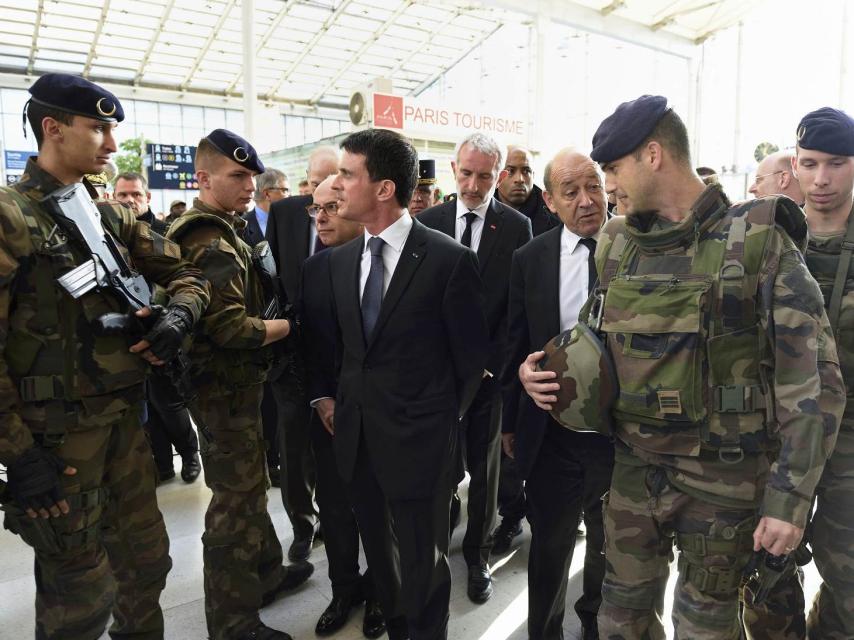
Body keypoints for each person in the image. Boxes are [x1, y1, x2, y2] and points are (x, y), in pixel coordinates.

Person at [519, 95, 844, 639]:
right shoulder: (615, 245)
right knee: (618, 620)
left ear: (652, 155)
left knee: (705, 628)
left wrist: (789, 501)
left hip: (725, 487)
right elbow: (596, 340)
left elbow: (812, 381)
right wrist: (546, 373)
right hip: (631, 476)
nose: (608, 187)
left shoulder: (758, 241)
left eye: (613, 169)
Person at [0, 73, 210, 639]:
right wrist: (18, 457)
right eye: (98, 130)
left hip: (124, 427)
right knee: (79, 596)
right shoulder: (11, 217)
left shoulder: (107, 216)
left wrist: (176, 316)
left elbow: (188, 275)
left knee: (147, 565)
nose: (112, 146)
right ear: (53, 128)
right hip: (58, 446)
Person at [329, 128, 489, 640]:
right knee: (382, 563)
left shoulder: (447, 260)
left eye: (347, 174)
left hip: (421, 446)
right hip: (358, 441)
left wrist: (434, 422)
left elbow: (470, 363)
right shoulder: (341, 261)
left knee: (424, 566)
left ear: (382, 189)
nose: (336, 186)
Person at [166, 129, 312, 640]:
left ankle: (268, 574)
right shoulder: (207, 237)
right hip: (222, 391)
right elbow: (230, 328)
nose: (249, 184)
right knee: (235, 504)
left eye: (251, 175)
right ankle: (232, 623)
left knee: (250, 484)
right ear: (203, 178)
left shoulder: (227, 227)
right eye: (237, 175)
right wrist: (291, 327)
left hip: (234, 389)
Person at [743, 108, 854, 640]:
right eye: (809, 164)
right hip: (772, 440)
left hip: (849, 447)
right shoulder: (765, 239)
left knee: (848, 583)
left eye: (837, 163)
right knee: (764, 580)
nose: (822, 179)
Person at [502, 148, 614, 640]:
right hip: (553, 430)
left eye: (595, 187)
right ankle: (545, 631)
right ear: (549, 201)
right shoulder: (530, 259)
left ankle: (596, 623)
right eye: (571, 192)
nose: (587, 201)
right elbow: (515, 343)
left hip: (622, 432)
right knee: (550, 546)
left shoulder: (637, 246)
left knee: (611, 545)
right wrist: (516, 400)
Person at [418, 132, 532, 604]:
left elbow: (515, 310)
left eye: (484, 176)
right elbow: (420, 304)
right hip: (438, 377)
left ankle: (479, 556)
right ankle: (435, 545)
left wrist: (490, 367)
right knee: (441, 468)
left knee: (486, 474)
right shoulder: (428, 222)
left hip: (489, 378)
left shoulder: (517, 227)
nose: (472, 184)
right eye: (465, 173)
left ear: (499, 176)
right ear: (453, 168)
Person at [300, 176, 385, 639]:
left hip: (378, 418)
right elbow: (309, 348)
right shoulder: (314, 268)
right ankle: (343, 589)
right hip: (327, 416)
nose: (323, 217)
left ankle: (378, 593)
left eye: (332, 206)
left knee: (377, 509)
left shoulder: (386, 267)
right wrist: (321, 399)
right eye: (316, 209)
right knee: (333, 509)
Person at [265, 145, 339, 561]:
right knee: (292, 448)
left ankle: (333, 518)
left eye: (332, 187)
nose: (321, 199)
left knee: (330, 444)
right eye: (313, 184)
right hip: (291, 353)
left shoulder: (353, 217)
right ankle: (301, 524)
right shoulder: (285, 213)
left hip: (335, 358)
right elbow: (274, 277)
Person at [114, 171, 202, 483]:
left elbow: (184, 277)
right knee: (147, 407)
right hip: (128, 336)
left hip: (165, 329)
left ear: (147, 197)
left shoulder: (165, 232)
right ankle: (162, 464)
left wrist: (167, 314)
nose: (129, 200)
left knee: (170, 403)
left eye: (135, 194)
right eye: (123, 195)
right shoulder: (109, 234)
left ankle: (190, 455)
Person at [243, 167, 290, 487]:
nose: (288, 196)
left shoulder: (290, 223)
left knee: (276, 403)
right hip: (251, 327)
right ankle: (266, 459)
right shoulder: (241, 226)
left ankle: (276, 460)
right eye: (284, 190)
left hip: (283, 327)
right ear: (270, 192)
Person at [495, 145, 561, 237]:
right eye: (510, 171)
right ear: (498, 175)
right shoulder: (482, 207)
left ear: (533, 176)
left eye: (526, 171)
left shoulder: (554, 215)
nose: (519, 179)